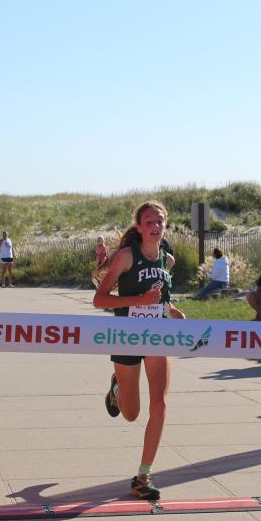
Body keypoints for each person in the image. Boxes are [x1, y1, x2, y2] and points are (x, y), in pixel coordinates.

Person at [93, 201, 186, 501]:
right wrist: (138, 301)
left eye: (160, 221)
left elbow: (161, 298)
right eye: (149, 222)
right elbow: (100, 300)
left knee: (159, 405)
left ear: (165, 225)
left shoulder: (167, 260)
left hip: (157, 336)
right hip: (127, 337)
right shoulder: (126, 257)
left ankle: (143, 476)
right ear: (139, 227)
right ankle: (117, 388)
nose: (155, 226)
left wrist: (171, 311)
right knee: (131, 414)